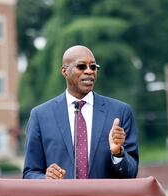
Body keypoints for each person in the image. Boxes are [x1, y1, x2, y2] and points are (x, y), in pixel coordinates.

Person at [23, 45, 139, 179]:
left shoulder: (120, 112)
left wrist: (118, 153)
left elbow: (131, 173)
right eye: (81, 66)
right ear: (64, 71)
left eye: (93, 67)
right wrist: (45, 179)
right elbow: (29, 173)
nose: (89, 71)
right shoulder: (40, 116)